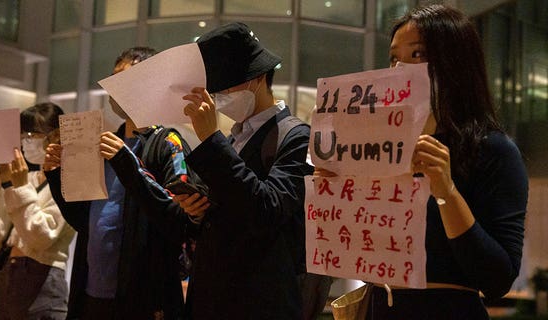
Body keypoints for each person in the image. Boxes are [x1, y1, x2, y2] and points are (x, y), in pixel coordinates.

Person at [316, 4, 528, 319]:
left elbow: (497, 278)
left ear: (455, 63)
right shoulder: (378, 147)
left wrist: (446, 191)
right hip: (380, 308)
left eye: (417, 55)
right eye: (393, 58)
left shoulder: (493, 149)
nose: (399, 68)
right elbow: (356, 252)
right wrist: (335, 199)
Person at [44, 46, 206, 319]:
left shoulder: (168, 144)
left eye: (126, 80)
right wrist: (55, 174)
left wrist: (125, 162)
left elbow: (178, 222)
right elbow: (83, 221)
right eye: (113, 79)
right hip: (91, 294)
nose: (116, 89)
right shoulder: (104, 145)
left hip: (143, 299)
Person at [179, 22, 314, 319]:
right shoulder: (233, 138)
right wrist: (197, 211)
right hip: (213, 296)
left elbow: (267, 209)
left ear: (258, 77)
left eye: (227, 85)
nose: (220, 95)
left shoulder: (297, 136)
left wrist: (211, 140)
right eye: (216, 88)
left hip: (259, 301)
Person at [0, 102, 75, 320]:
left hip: (42, 276)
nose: (25, 141)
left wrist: (20, 187)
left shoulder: (67, 182)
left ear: (56, 136)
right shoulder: (29, 178)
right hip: (9, 273)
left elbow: (41, 238)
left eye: (32, 134)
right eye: (23, 135)